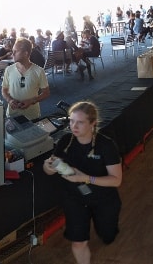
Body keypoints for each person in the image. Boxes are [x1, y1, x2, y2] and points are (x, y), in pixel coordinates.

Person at [42, 101, 123, 264]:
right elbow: (49, 170)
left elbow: (116, 180)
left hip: (104, 198)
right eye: (71, 121)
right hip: (74, 199)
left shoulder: (106, 145)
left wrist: (85, 178)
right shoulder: (66, 141)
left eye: (80, 122)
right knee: (78, 242)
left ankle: (107, 232)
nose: (74, 126)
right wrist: (48, 166)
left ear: (92, 123)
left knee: (107, 235)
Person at [1, 38, 50, 120]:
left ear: (26, 53)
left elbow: (46, 93)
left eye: (16, 51)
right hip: (12, 114)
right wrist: (10, 100)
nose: (12, 54)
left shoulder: (39, 71)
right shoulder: (9, 70)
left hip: (32, 116)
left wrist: (31, 101)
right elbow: (4, 90)